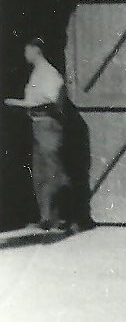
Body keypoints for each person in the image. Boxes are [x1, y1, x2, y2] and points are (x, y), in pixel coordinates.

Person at [4, 37, 72, 232]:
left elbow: (52, 100)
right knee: (41, 172)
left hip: (48, 124)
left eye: (27, 50)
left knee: (53, 170)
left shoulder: (49, 73)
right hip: (38, 124)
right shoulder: (37, 72)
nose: (25, 55)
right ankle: (48, 217)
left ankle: (63, 216)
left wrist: (20, 104)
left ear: (36, 50)